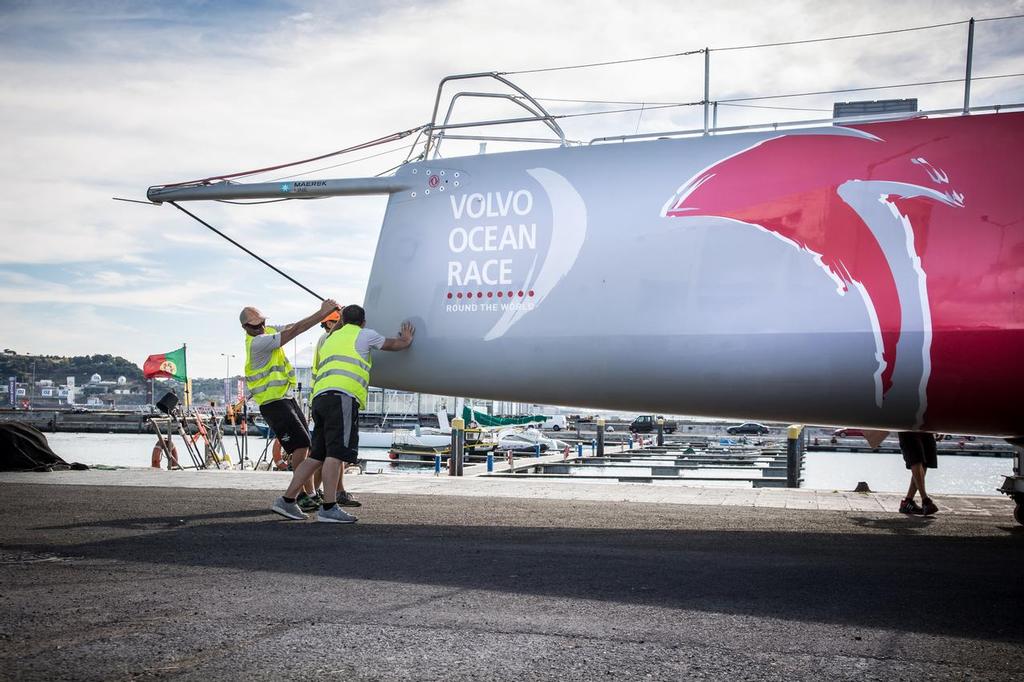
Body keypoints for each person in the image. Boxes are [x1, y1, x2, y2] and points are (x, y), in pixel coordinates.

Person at [272, 304, 415, 522]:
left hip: (320, 398)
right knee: (336, 454)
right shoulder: (365, 335)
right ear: (363, 322)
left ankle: (287, 500)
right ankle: (329, 508)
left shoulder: (330, 339)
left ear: (342, 320)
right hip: (342, 398)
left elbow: (338, 330)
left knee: (317, 456)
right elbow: (395, 344)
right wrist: (406, 338)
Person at [241, 298, 338, 507]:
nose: (259, 328)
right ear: (245, 328)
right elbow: (296, 332)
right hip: (273, 402)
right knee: (301, 445)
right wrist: (323, 313)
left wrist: (330, 314)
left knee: (307, 444)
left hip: (285, 398)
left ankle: (310, 494)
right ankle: (298, 496)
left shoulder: (265, 331)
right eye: (254, 325)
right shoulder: (258, 342)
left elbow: (294, 326)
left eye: (261, 323)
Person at [897, 432, 939, 515]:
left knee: (925, 460)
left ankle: (907, 502)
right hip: (908, 425)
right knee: (916, 459)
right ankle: (925, 500)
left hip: (925, 427)